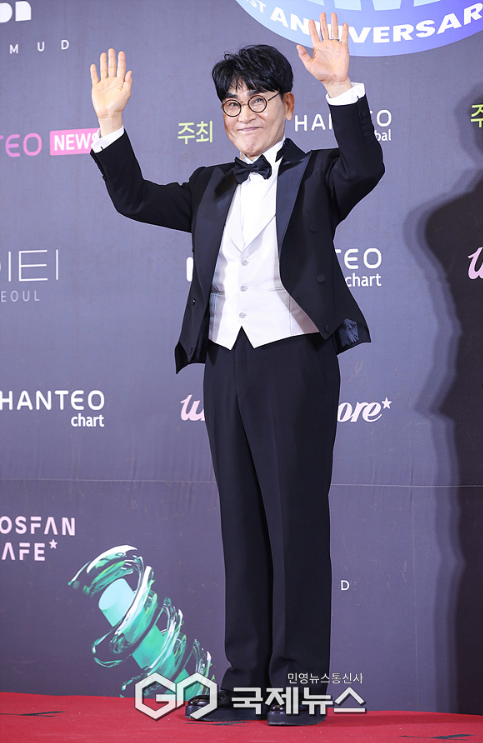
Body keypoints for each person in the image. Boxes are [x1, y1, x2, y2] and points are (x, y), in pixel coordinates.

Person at [89, 12, 384, 726]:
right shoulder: (208, 184)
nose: (244, 115)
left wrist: (342, 87)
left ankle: (297, 687)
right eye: (232, 104)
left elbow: (366, 166)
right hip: (225, 362)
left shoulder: (319, 173)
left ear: (288, 104)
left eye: (259, 100)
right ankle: (246, 679)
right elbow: (134, 199)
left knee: (294, 526)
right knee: (241, 526)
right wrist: (111, 123)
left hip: (295, 360)